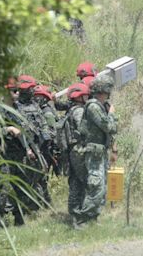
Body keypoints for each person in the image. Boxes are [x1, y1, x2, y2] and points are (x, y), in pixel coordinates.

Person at [74, 75, 117, 225]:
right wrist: (112, 115)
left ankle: (93, 218)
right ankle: (83, 220)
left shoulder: (98, 106)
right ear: (104, 90)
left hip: (99, 152)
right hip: (94, 153)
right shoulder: (93, 106)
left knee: (101, 187)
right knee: (96, 186)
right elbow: (109, 126)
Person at [0, 78, 26, 227]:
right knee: (1, 190)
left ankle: (19, 220)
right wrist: (7, 129)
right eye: (14, 90)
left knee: (21, 188)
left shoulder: (18, 108)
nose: (18, 93)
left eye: (18, 90)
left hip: (18, 154)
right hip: (2, 156)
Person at [14, 77, 53, 209]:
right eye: (31, 89)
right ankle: (30, 207)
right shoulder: (16, 107)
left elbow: (42, 123)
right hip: (24, 147)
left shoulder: (34, 105)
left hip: (39, 146)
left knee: (41, 174)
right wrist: (28, 148)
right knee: (27, 177)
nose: (33, 91)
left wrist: (46, 140)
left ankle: (44, 202)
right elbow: (20, 129)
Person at [56, 82, 90, 228]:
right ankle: (79, 217)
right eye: (86, 95)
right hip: (79, 150)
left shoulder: (71, 110)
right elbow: (84, 129)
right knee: (82, 183)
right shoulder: (79, 111)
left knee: (76, 182)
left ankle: (77, 216)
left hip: (72, 151)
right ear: (80, 97)